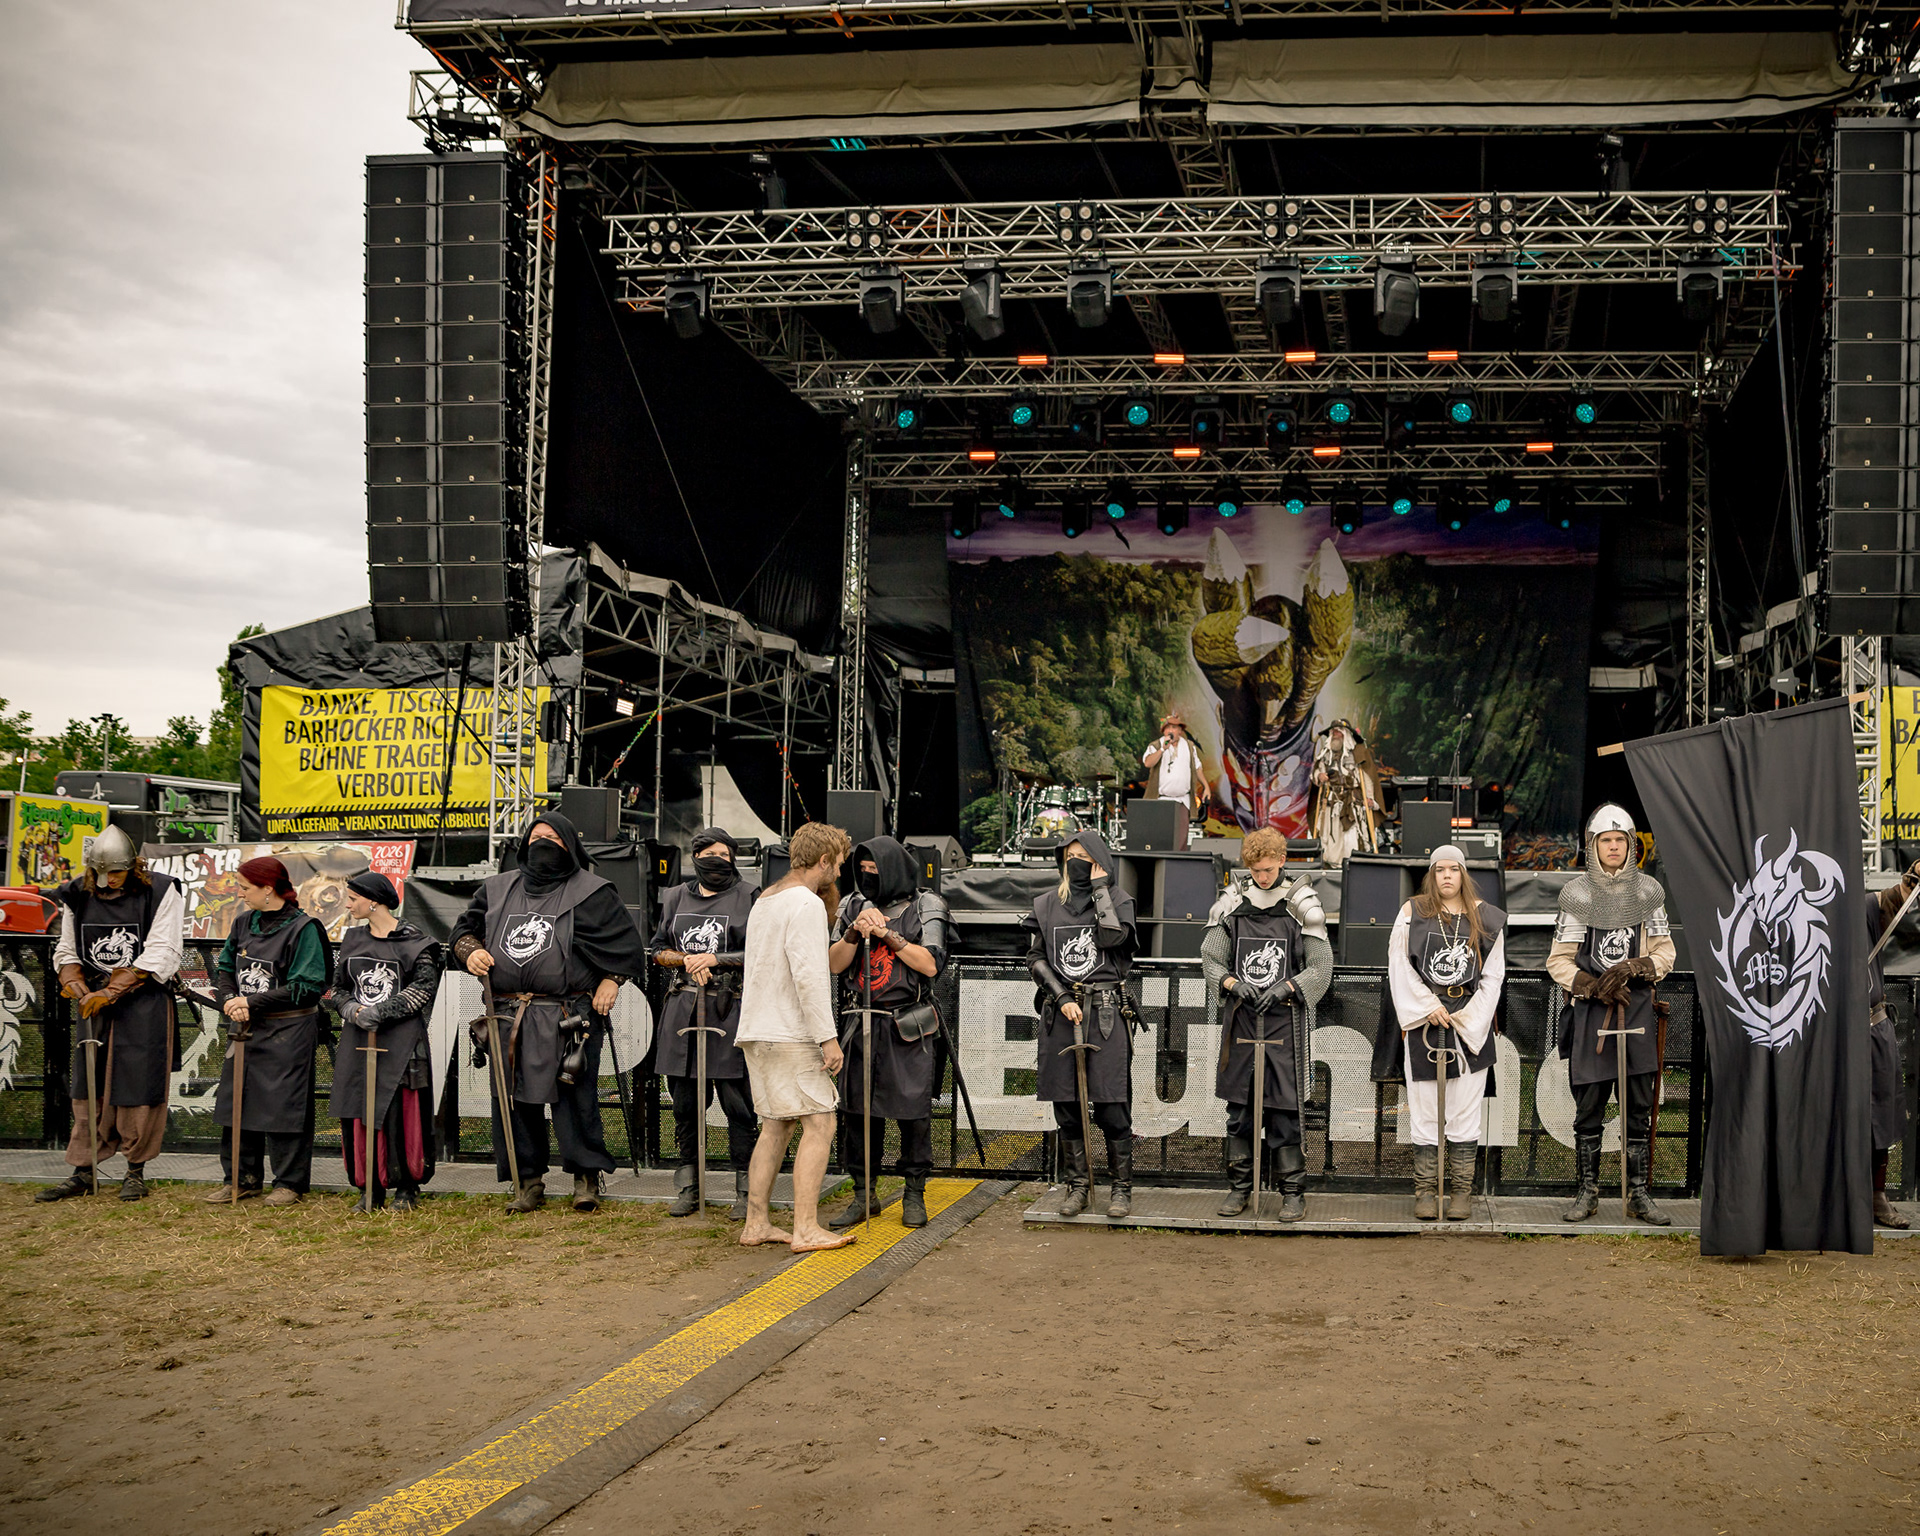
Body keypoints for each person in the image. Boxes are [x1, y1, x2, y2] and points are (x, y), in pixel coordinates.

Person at [451, 812, 647, 1215]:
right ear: (523, 845)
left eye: (553, 839)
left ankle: (586, 1178)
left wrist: (611, 979)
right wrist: (470, 952)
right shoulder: (497, 889)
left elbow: (626, 947)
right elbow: (461, 932)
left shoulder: (592, 892)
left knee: (576, 1099)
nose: (543, 845)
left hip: (569, 1013)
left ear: (570, 847)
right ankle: (528, 1181)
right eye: (536, 837)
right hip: (510, 1014)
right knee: (515, 1100)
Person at [36, 826, 185, 1203]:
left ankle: (135, 1170)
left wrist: (113, 990)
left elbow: (163, 949)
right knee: (89, 1082)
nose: (108, 881)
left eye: (115, 873)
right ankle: (84, 1169)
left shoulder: (160, 890)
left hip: (143, 1001)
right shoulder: (77, 893)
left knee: (138, 1083)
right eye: (101, 874)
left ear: (132, 866)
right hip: (93, 1002)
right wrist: (72, 978)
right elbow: (67, 946)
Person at [1545, 804, 1676, 1226]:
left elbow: (1665, 953)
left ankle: (1638, 1194)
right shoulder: (1579, 895)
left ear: (1631, 845)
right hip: (1593, 1015)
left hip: (1636, 1008)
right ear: (1593, 846)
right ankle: (1588, 1193)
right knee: (1589, 1109)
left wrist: (1636, 967)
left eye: (1621, 841)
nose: (1615, 847)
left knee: (1638, 1107)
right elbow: (1558, 961)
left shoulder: (1647, 893)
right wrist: (1588, 983)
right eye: (1607, 841)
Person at [1202, 827, 1332, 1220]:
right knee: (1240, 1111)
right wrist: (1230, 983)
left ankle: (1293, 1193)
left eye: (1268, 868)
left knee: (1284, 1111)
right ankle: (1239, 1189)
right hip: (1242, 1021)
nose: (1262, 876)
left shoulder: (1302, 904)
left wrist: (1289, 987)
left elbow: (1321, 967)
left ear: (1281, 860)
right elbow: (1211, 959)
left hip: (1284, 1023)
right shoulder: (1231, 903)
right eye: (1256, 870)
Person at [735, 821, 853, 1253]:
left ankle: (756, 1223)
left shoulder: (765, 899)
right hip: (790, 1032)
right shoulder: (804, 904)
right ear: (823, 860)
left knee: (775, 1126)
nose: (838, 874)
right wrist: (827, 1037)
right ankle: (805, 1228)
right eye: (837, 865)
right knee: (820, 1122)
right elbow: (810, 976)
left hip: (757, 1030)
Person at [826, 836, 954, 1231]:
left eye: (875, 872)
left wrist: (885, 934)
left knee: (913, 1115)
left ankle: (914, 1193)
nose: (867, 878)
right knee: (857, 1115)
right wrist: (853, 933)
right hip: (858, 1024)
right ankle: (865, 1196)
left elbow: (930, 964)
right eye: (861, 871)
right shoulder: (850, 905)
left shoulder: (926, 906)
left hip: (907, 1025)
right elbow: (833, 965)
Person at [1382, 845, 1507, 1221]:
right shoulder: (1412, 913)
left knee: (1465, 1111)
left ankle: (1461, 1194)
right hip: (1425, 1021)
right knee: (1423, 1111)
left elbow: (1494, 976)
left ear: (1464, 874)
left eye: (1454, 869)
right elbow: (1398, 965)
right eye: (1440, 870)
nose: (1447, 876)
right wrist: (1427, 1006)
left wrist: (1469, 1019)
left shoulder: (1487, 918)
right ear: (1433, 875)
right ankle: (1425, 1192)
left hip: (1470, 1021)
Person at [1024, 829, 1141, 1219]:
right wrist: (1061, 996)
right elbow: (1035, 958)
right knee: (1068, 1106)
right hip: (1062, 1012)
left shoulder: (1119, 901)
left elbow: (1112, 939)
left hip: (1105, 1014)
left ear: (1099, 861)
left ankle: (1120, 1189)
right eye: (1069, 855)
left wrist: (1100, 889)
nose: (1075, 862)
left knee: (1111, 1106)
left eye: (1084, 856)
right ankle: (1078, 1186)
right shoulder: (1046, 904)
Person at [207, 856, 332, 1206]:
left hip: (289, 1031)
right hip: (246, 1029)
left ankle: (289, 1182)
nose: (240, 893)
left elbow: (308, 985)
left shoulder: (304, 928)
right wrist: (231, 997)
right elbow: (225, 966)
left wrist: (252, 1002)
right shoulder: (244, 922)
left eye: (245, 887)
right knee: (237, 1102)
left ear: (268, 888)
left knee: (284, 1107)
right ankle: (240, 1178)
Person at [650, 827, 759, 1220]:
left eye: (725, 853)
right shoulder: (675, 896)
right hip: (682, 1008)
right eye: (709, 853)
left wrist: (715, 960)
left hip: (730, 1009)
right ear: (696, 857)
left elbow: (759, 951)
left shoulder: (750, 897)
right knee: (684, 1104)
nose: (718, 859)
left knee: (738, 1105)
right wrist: (685, 960)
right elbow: (658, 948)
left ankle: (747, 1190)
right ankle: (690, 1187)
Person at [325, 872, 443, 1212]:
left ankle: (407, 1186)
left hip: (403, 1043)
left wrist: (381, 1012)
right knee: (360, 1108)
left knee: (401, 1112)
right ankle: (370, 1185)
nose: (347, 903)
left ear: (373, 900)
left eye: (353, 898)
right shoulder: (352, 938)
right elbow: (338, 987)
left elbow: (423, 988)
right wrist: (350, 1009)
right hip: (358, 1036)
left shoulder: (417, 942)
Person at [1863, 859, 1919, 1228]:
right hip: (1822, 1032)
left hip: (1871, 1025)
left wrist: (1914, 880)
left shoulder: (1866, 905)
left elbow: (1899, 905)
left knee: (1879, 1112)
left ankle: (1876, 1196)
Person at [1308, 719, 1381, 867]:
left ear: (1345, 735)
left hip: (1351, 803)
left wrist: (1369, 799)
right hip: (1330, 803)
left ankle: (1350, 866)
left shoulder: (1358, 754)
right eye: (1333, 732)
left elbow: (1367, 778)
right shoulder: (1325, 754)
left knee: (1350, 838)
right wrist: (1319, 776)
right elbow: (1315, 773)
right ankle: (1332, 866)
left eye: (1338, 732)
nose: (1335, 735)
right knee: (1330, 837)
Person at [1141, 708, 1210, 815]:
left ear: (1180, 731)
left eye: (1173, 727)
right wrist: (1162, 749)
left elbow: (1198, 768)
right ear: (1163, 731)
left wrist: (1206, 787)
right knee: (1162, 830)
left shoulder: (1190, 746)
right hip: (1161, 800)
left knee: (1181, 830)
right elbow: (1148, 763)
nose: (1170, 731)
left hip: (1184, 800)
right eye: (1167, 728)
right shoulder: (1156, 745)